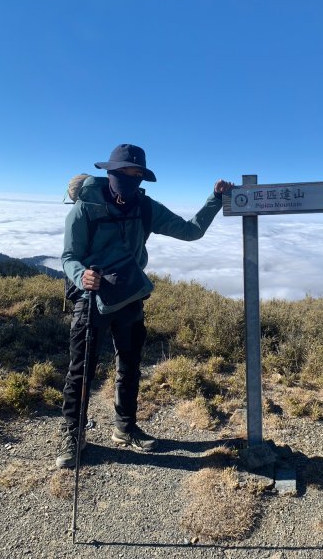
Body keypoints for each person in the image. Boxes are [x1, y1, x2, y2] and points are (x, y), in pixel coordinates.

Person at [56, 143, 233, 468]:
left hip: (129, 296)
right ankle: (72, 433)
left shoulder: (146, 207)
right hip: (91, 299)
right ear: (110, 172)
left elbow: (191, 231)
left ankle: (125, 429)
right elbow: (68, 258)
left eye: (136, 174)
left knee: (129, 367)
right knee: (81, 371)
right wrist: (82, 277)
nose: (130, 178)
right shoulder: (84, 208)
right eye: (124, 172)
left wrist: (216, 199)